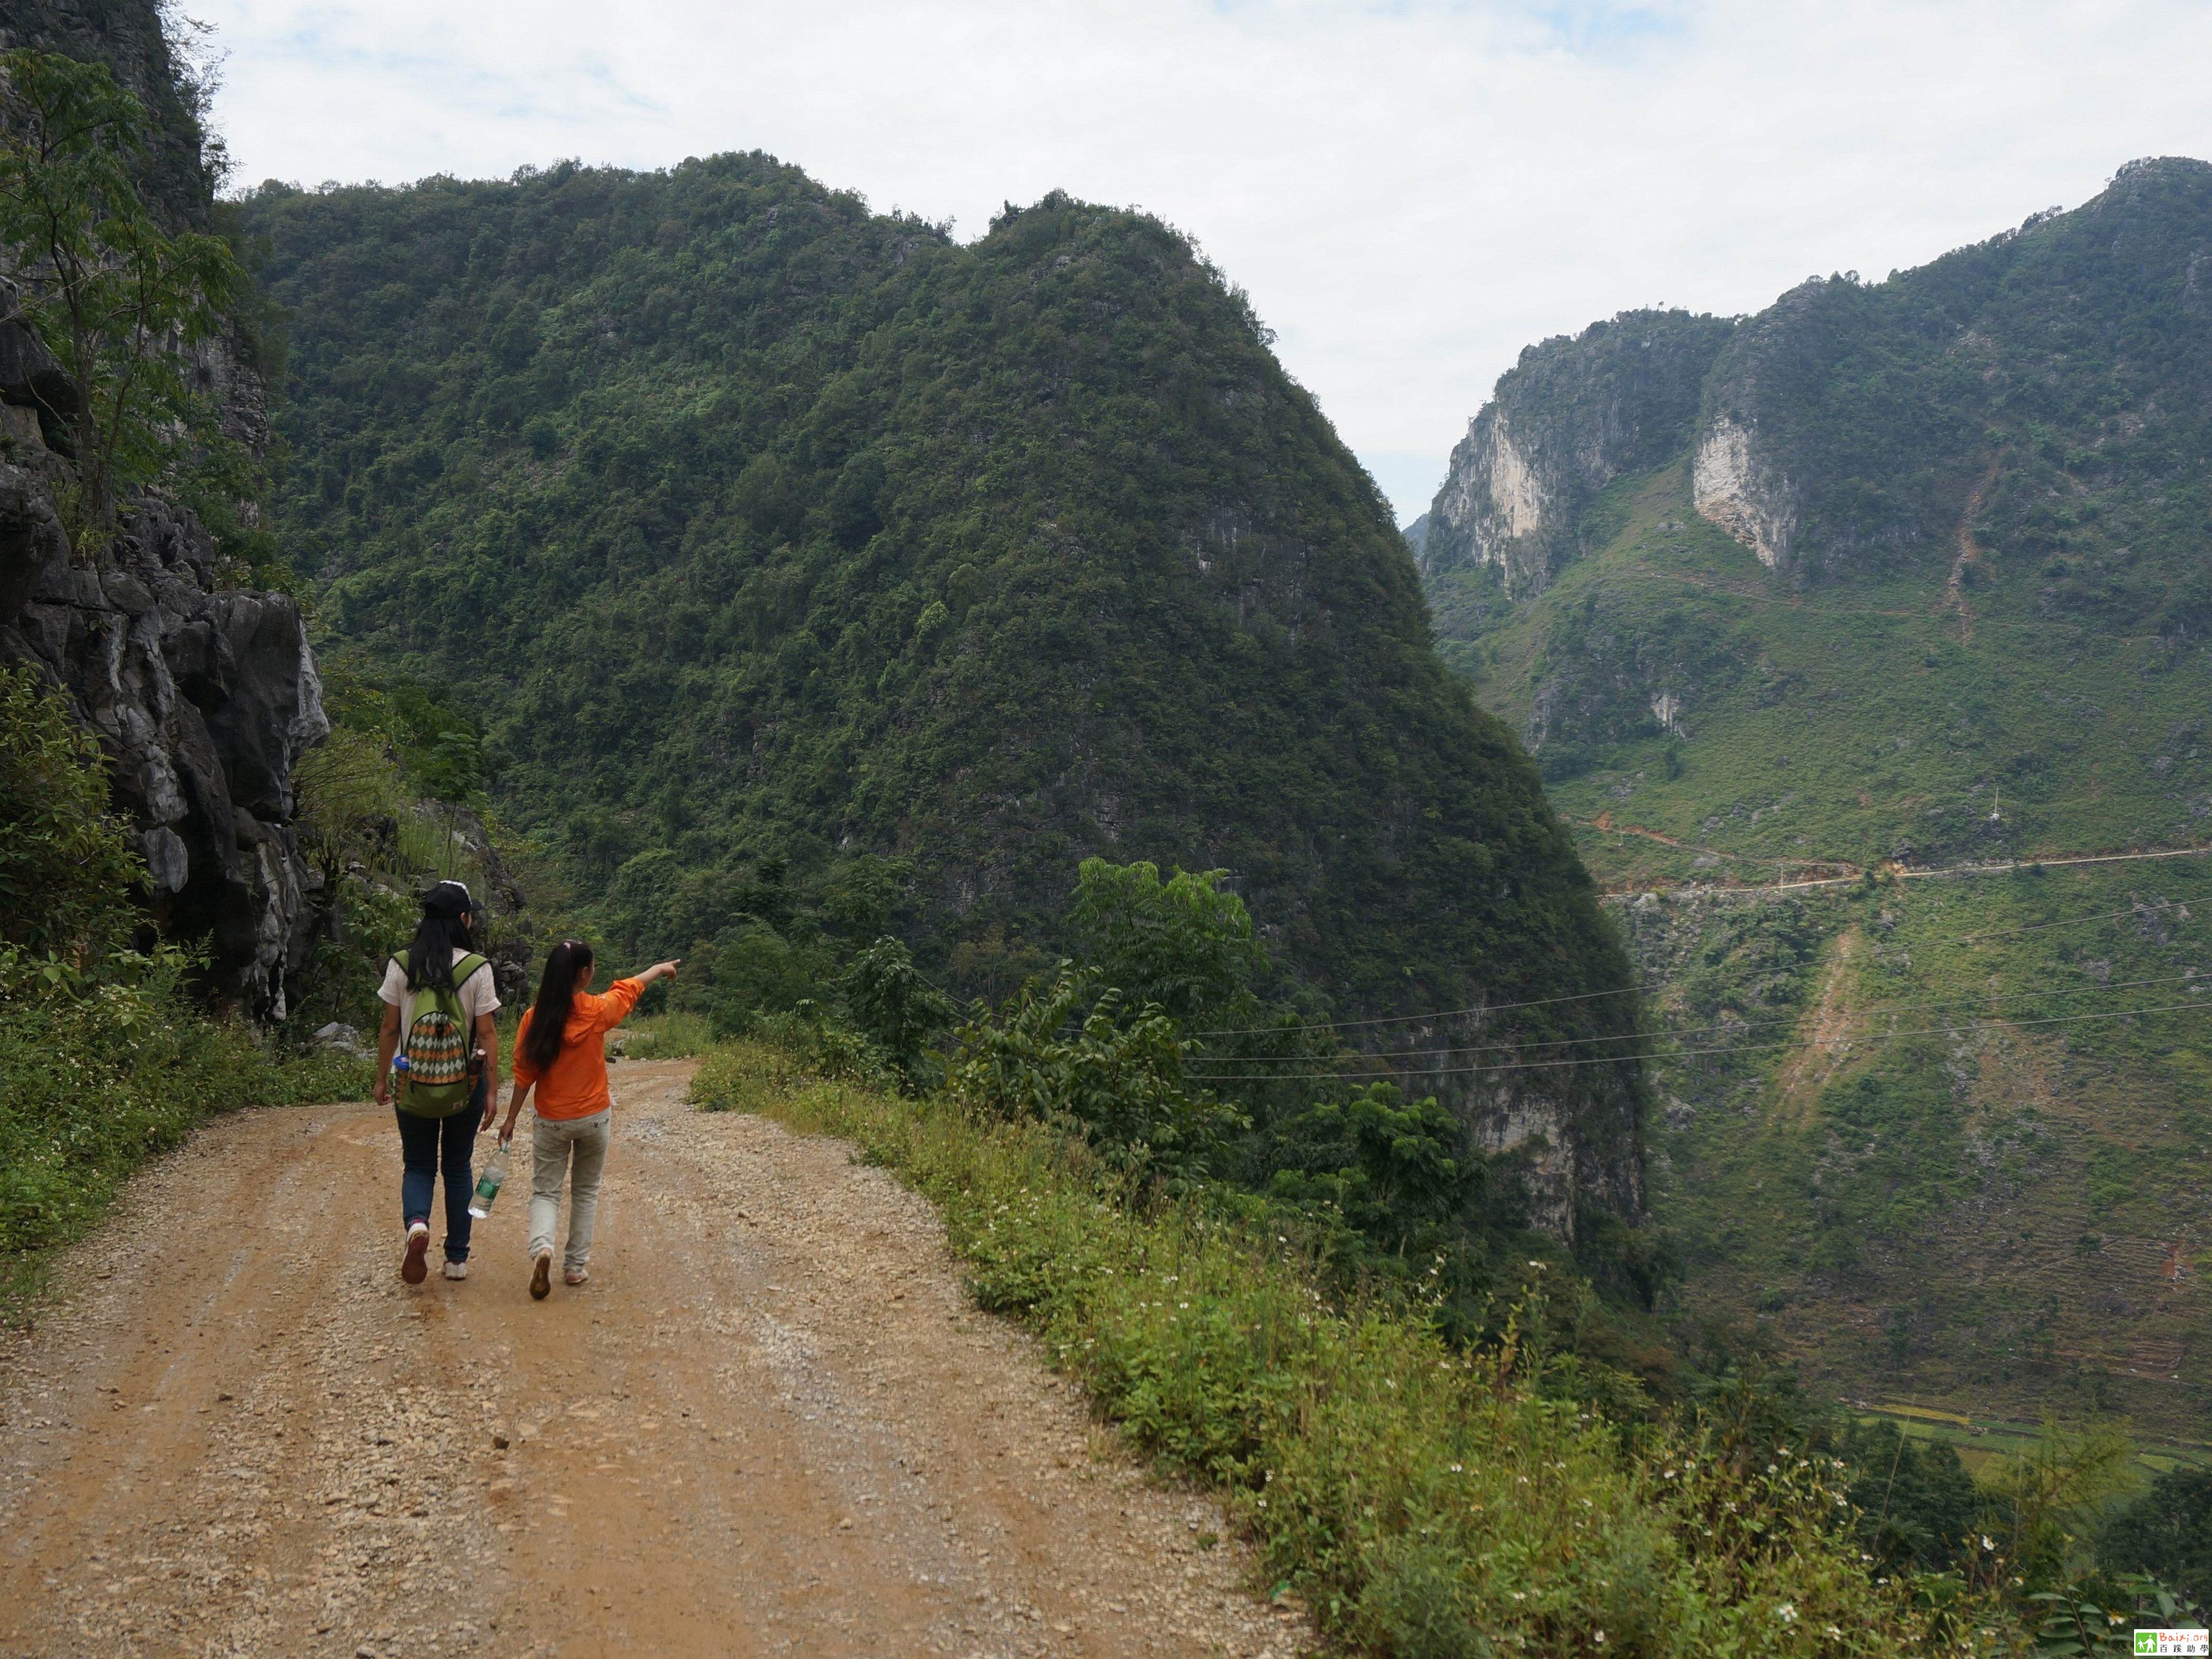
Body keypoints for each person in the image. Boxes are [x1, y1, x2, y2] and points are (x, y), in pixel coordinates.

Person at [501, 940, 679, 1300]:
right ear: (583, 975)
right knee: (585, 1191)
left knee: (546, 1192)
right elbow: (628, 989)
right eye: (593, 967)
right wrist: (659, 969)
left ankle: (543, 1250)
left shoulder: (533, 1019)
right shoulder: (596, 1011)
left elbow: (524, 1076)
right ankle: (575, 1267)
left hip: (551, 1120)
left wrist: (510, 1121)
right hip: (594, 1119)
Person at [374, 880, 501, 1285]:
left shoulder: (400, 964)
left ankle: (417, 1225)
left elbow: (390, 1029)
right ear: (462, 919)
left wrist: (382, 1080)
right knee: (458, 1167)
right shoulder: (477, 968)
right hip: (464, 1085)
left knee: (419, 1164)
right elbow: (486, 1035)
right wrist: (494, 1091)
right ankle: (457, 1260)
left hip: (410, 1083)